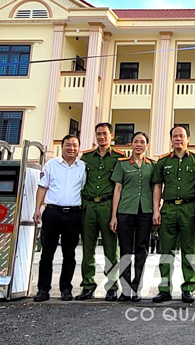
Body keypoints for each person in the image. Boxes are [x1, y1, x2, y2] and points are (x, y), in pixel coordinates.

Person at [151, 125, 195, 303]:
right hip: (169, 209)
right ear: (171, 139)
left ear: (188, 138)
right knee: (166, 251)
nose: (178, 139)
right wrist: (156, 210)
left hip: (189, 209)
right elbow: (158, 186)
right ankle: (164, 289)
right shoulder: (163, 161)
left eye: (181, 136)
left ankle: (188, 288)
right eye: (175, 136)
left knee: (189, 251)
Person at [33, 134, 86, 302]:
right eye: (68, 145)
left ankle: (66, 289)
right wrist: (37, 208)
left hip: (74, 214)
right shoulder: (51, 165)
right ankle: (43, 289)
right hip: (52, 213)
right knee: (47, 253)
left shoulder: (82, 167)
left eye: (74, 145)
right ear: (61, 147)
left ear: (79, 148)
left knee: (69, 254)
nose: (71, 148)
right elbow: (42, 187)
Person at [77, 122, 124, 301]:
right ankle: (87, 285)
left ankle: (112, 286)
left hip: (107, 206)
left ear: (111, 136)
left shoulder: (118, 158)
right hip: (88, 206)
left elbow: (119, 186)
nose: (101, 137)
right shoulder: (87, 158)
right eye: (98, 134)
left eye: (105, 133)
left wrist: (114, 214)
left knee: (111, 249)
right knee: (87, 248)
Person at [110, 132, 154, 302]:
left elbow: (156, 189)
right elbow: (118, 189)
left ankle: (137, 288)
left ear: (147, 146)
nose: (139, 145)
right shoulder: (122, 164)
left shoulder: (152, 165)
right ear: (131, 145)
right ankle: (126, 288)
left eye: (142, 142)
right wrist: (114, 215)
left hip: (145, 211)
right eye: (136, 142)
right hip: (125, 210)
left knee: (141, 250)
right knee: (125, 250)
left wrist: (156, 210)